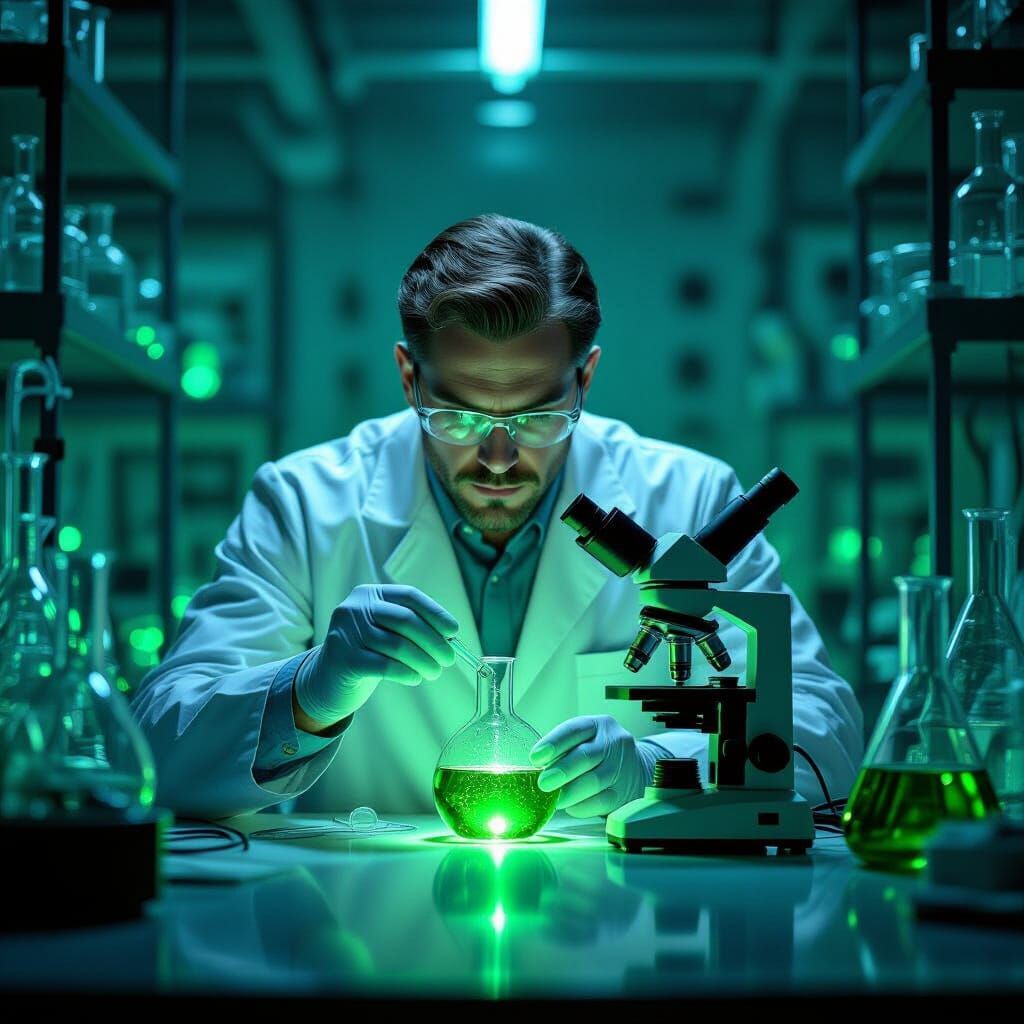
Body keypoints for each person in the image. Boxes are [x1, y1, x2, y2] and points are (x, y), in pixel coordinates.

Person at [133, 213, 863, 819]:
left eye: (541, 415)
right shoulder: (303, 503)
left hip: (619, 939)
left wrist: (658, 769)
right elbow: (157, 750)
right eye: (455, 416)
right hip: (362, 931)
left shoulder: (690, 496)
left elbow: (826, 731)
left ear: (586, 378)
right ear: (408, 375)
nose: (499, 456)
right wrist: (310, 691)